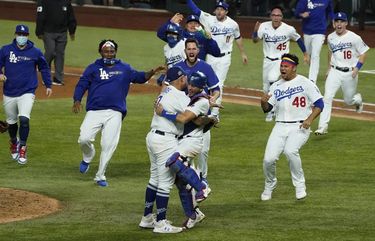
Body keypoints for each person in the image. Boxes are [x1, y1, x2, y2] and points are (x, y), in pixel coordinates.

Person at [73, 39, 163, 187]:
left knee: (108, 144)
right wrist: (77, 99)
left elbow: (140, 77)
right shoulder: (92, 68)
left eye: (111, 51)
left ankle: (100, 175)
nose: (109, 54)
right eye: (106, 51)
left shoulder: (124, 68)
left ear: (115, 52)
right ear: (100, 52)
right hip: (95, 110)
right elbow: (82, 84)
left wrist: (153, 71)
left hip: (115, 112)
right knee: (84, 139)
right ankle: (88, 156)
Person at [155, 71, 217, 229]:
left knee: (174, 161)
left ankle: (202, 186)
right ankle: (193, 214)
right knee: (180, 182)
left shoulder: (202, 100)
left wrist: (163, 112)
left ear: (201, 87)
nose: (190, 88)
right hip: (182, 141)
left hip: (192, 141)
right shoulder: (192, 97)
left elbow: (183, 118)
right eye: (190, 84)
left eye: (194, 86)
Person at [260, 53, 324, 201]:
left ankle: (300, 185)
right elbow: (267, 109)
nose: (282, 69)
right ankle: (270, 184)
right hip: (280, 126)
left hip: (299, 126)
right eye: (281, 66)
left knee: (290, 151)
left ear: (294, 68)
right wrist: (263, 102)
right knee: (268, 160)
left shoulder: (305, 82)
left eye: (286, 66)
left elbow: (320, 104)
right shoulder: (276, 85)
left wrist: (309, 119)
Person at [138, 66, 189, 234]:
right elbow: (189, 116)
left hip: (153, 137)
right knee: (166, 182)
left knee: (154, 178)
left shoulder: (165, 91)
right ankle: (161, 223)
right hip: (165, 141)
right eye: (185, 78)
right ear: (181, 79)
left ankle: (147, 218)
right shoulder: (179, 96)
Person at [0, 24, 52, 165]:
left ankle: (22, 147)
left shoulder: (35, 52)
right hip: (9, 92)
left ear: (28, 36)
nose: (21, 37)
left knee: (24, 119)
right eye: (19, 34)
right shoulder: (5, 50)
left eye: (24, 35)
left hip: (27, 92)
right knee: (11, 123)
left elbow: (44, 67)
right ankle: (13, 142)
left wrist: (48, 84)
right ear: (15, 35)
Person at [186, 0, 248, 116]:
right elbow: (196, 10)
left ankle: (214, 113)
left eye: (222, 9)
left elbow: (238, 38)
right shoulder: (208, 19)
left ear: (226, 11)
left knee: (218, 85)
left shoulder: (233, 24)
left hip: (225, 58)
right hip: (210, 57)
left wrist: (243, 53)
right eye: (218, 9)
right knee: (205, 82)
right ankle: (202, 108)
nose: (219, 12)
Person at [174, 38, 221, 190]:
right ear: (185, 51)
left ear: (198, 50)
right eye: (189, 49)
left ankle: (203, 177)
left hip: (201, 115)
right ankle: (191, 177)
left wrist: (211, 100)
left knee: (204, 150)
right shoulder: (178, 67)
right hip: (185, 115)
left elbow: (216, 89)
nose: (191, 51)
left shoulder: (206, 67)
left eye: (194, 48)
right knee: (185, 151)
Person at [315, 12, 369, 135]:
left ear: (346, 23)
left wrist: (357, 68)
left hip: (350, 73)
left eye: (342, 21)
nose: (339, 24)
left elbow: (364, 52)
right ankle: (323, 126)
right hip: (335, 71)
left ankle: (357, 100)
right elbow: (330, 52)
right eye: (337, 21)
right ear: (334, 24)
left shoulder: (354, 38)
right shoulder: (330, 37)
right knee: (327, 97)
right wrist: (329, 67)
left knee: (348, 100)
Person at [253, 6, 309, 122]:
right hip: (267, 60)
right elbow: (255, 40)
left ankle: (272, 110)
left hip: (281, 60)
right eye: (274, 15)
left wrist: (305, 53)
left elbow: (298, 39)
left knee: (272, 78)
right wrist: (254, 32)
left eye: (278, 15)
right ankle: (270, 108)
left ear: (282, 17)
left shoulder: (288, 29)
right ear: (270, 16)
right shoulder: (263, 26)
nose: (276, 17)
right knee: (266, 87)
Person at [36, 0, 77, 86]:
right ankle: (45, 76)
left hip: (62, 33)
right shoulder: (43, 1)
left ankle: (58, 78)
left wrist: (72, 31)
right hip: (48, 32)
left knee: (60, 54)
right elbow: (40, 17)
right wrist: (39, 31)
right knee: (50, 52)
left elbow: (71, 17)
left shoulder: (66, 2)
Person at [295, 0, 334, 83]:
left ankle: (312, 80)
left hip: (320, 31)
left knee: (315, 55)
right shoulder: (304, 1)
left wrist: (333, 19)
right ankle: (312, 72)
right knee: (308, 55)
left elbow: (330, 11)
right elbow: (296, 13)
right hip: (307, 31)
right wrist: (302, 14)